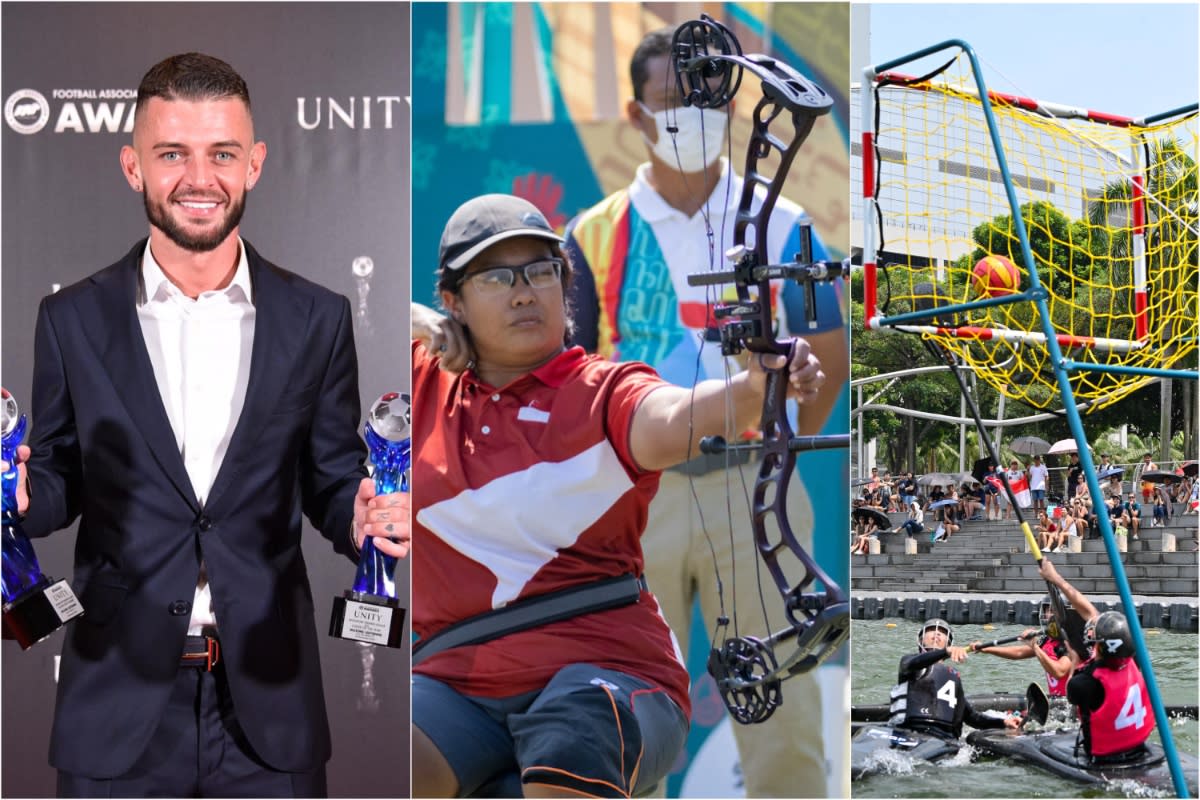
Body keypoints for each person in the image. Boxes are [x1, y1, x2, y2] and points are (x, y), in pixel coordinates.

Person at [5, 53, 406, 797]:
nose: (200, 178)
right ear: (133, 167)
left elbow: (330, 479)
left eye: (222, 153)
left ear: (254, 163)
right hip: (115, 702)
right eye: (172, 154)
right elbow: (59, 476)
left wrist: (362, 515)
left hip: (269, 706)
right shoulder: (70, 318)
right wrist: (21, 495)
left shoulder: (316, 317)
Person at [409, 193, 828, 798]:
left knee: (569, 748)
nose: (525, 291)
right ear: (454, 301)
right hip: (453, 680)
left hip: (607, 668)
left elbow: (678, 414)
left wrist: (757, 385)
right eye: (498, 276)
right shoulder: (419, 376)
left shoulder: (602, 389)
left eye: (542, 271)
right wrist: (416, 323)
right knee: (382, 759)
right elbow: (326, 293)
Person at [560, 27, 849, 796]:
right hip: (634, 501)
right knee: (627, 714)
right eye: (671, 102)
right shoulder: (589, 237)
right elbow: (570, 376)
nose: (691, 114)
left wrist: (775, 452)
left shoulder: (788, 224)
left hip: (756, 495)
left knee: (782, 721)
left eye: (705, 99)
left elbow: (830, 346)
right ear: (635, 113)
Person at [889, 619, 1020, 740]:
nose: (937, 634)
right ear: (921, 640)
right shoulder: (909, 662)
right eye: (931, 631)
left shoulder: (953, 676)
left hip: (944, 737)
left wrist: (1003, 722)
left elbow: (972, 717)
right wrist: (945, 651)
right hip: (908, 730)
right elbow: (914, 662)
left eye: (942, 633)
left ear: (948, 642)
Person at [970, 583, 1098, 699]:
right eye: (1047, 610)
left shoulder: (1072, 642)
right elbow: (1019, 652)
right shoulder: (1047, 638)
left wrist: (1035, 648)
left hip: (1072, 703)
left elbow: (1060, 671)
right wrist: (986, 649)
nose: (1049, 615)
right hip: (1056, 700)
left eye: (1053, 610)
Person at [1067, 611, 1156, 762]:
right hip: (1139, 746)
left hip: (1105, 759)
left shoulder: (1084, 682)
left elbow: (1070, 697)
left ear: (1099, 647)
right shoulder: (1137, 662)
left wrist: (1074, 662)